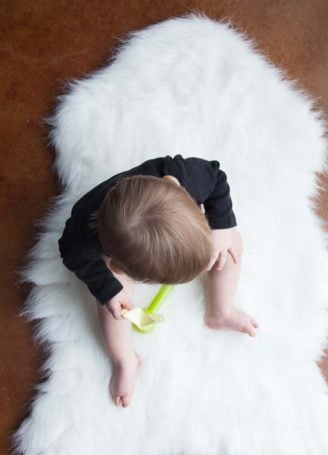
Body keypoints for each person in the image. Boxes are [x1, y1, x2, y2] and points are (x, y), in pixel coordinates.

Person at [58, 154, 259, 408]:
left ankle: (221, 311)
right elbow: (72, 255)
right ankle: (125, 359)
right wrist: (108, 289)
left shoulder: (186, 177)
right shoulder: (82, 237)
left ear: (175, 186)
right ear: (118, 265)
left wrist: (221, 228)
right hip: (119, 248)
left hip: (175, 225)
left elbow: (217, 177)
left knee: (231, 246)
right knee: (114, 307)